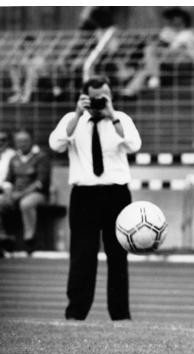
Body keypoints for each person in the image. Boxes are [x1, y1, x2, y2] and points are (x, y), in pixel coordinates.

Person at [49, 75, 141, 320]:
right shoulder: (72, 120)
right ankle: (76, 313)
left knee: (118, 256)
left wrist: (112, 115)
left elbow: (134, 145)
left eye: (106, 95)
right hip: (84, 195)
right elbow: (56, 144)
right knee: (82, 255)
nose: (102, 100)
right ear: (85, 96)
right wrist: (78, 114)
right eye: (97, 96)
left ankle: (120, 314)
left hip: (116, 194)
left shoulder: (121, 119)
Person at [121, 7, 194, 97]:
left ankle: (148, 75)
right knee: (146, 68)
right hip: (171, 59)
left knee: (150, 50)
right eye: (171, 17)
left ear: (182, 18)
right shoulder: (169, 31)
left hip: (187, 61)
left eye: (175, 16)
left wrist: (157, 50)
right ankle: (129, 91)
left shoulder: (189, 33)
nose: (173, 19)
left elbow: (179, 50)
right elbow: (160, 43)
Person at [0, 129, 51, 256]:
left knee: (26, 203)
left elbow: (40, 182)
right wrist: (8, 193)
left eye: (25, 141)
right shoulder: (14, 158)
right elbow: (8, 180)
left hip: (37, 194)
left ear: (32, 141)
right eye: (19, 141)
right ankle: (2, 237)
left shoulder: (41, 157)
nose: (22, 144)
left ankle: (29, 239)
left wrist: (20, 195)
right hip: (15, 193)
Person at [7, 35, 46, 104]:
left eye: (30, 44)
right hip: (25, 76)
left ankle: (26, 95)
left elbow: (40, 69)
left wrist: (27, 58)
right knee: (13, 68)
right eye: (27, 44)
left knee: (30, 69)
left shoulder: (39, 55)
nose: (28, 46)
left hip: (37, 78)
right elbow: (16, 63)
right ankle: (17, 93)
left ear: (34, 44)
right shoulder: (21, 54)